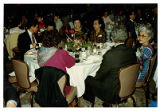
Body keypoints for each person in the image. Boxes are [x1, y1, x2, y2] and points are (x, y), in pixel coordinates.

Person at [83, 26, 137, 104]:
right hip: (128, 87)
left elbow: (99, 76)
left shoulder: (110, 54)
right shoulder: (131, 51)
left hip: (112, 93)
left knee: (87, 78)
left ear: (112, 38)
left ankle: (89, 102)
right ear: (126, 37)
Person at [37, 31, 77, 105]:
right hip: (59, 92)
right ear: (57, 41)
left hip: (44, 90)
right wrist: (67, 54)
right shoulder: (61, 53)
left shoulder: (40, 52)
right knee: (76, 85)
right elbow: (72, 63)